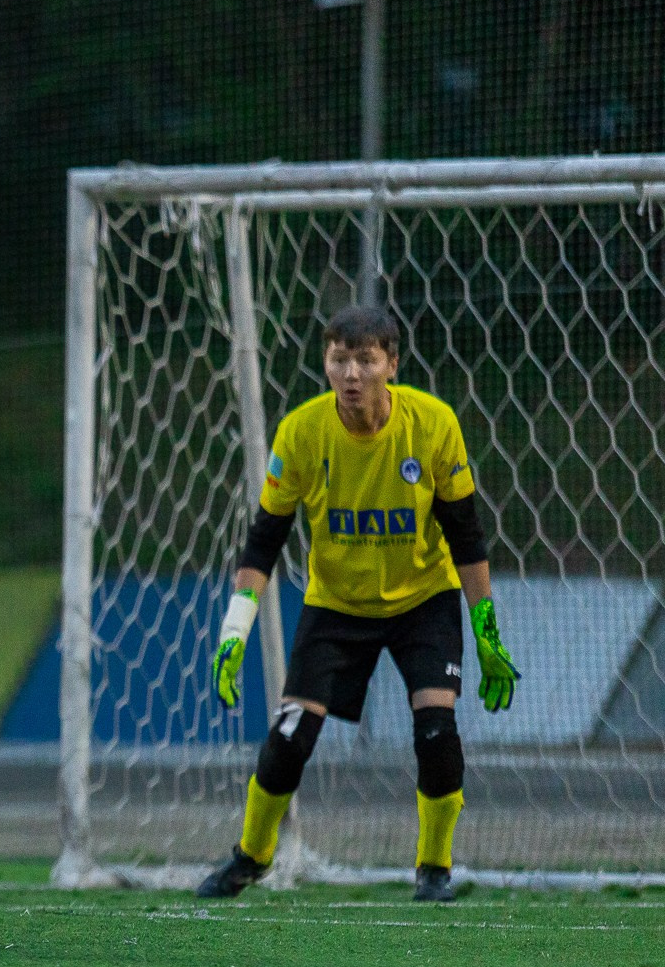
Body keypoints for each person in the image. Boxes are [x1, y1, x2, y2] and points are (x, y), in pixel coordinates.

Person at [199, 305, 519, 903]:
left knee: (435, 731)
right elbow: (263, 540)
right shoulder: (300, 432)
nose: (351, 374)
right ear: (325, 362)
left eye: (365, 360)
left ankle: (433, 870)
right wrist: (234, 631)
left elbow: (466, 535)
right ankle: (251, 857)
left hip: (424, 597)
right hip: (338, 604)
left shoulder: (434, 425)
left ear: (391, 364)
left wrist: (487, 632)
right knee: (290, 733)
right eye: (339, 359)